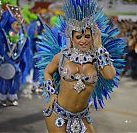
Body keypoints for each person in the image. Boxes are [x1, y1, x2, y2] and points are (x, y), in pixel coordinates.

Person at [34, 0, 126, 132]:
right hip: (58, 114)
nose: (83, 40)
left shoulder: (97, 59)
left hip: (82, 116)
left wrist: (99, 47)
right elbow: (47, 72)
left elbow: (110, 75)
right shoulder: (62, 57)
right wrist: (52, 93)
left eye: (87, 36)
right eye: (78, 37)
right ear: (71, 38)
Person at [0, 4, 32, 106]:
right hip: (5, 61)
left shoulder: (22, 36)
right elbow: (1, 49)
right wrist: (7, 60)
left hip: (16, 62)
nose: (18, 26)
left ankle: (12, 95)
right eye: (16, 24)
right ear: (11, 25)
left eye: (19, 24)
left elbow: (24, 49)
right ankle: (3, 96)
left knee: (17, 76)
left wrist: (19, 59)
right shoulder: (4, 35)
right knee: (5, 78)